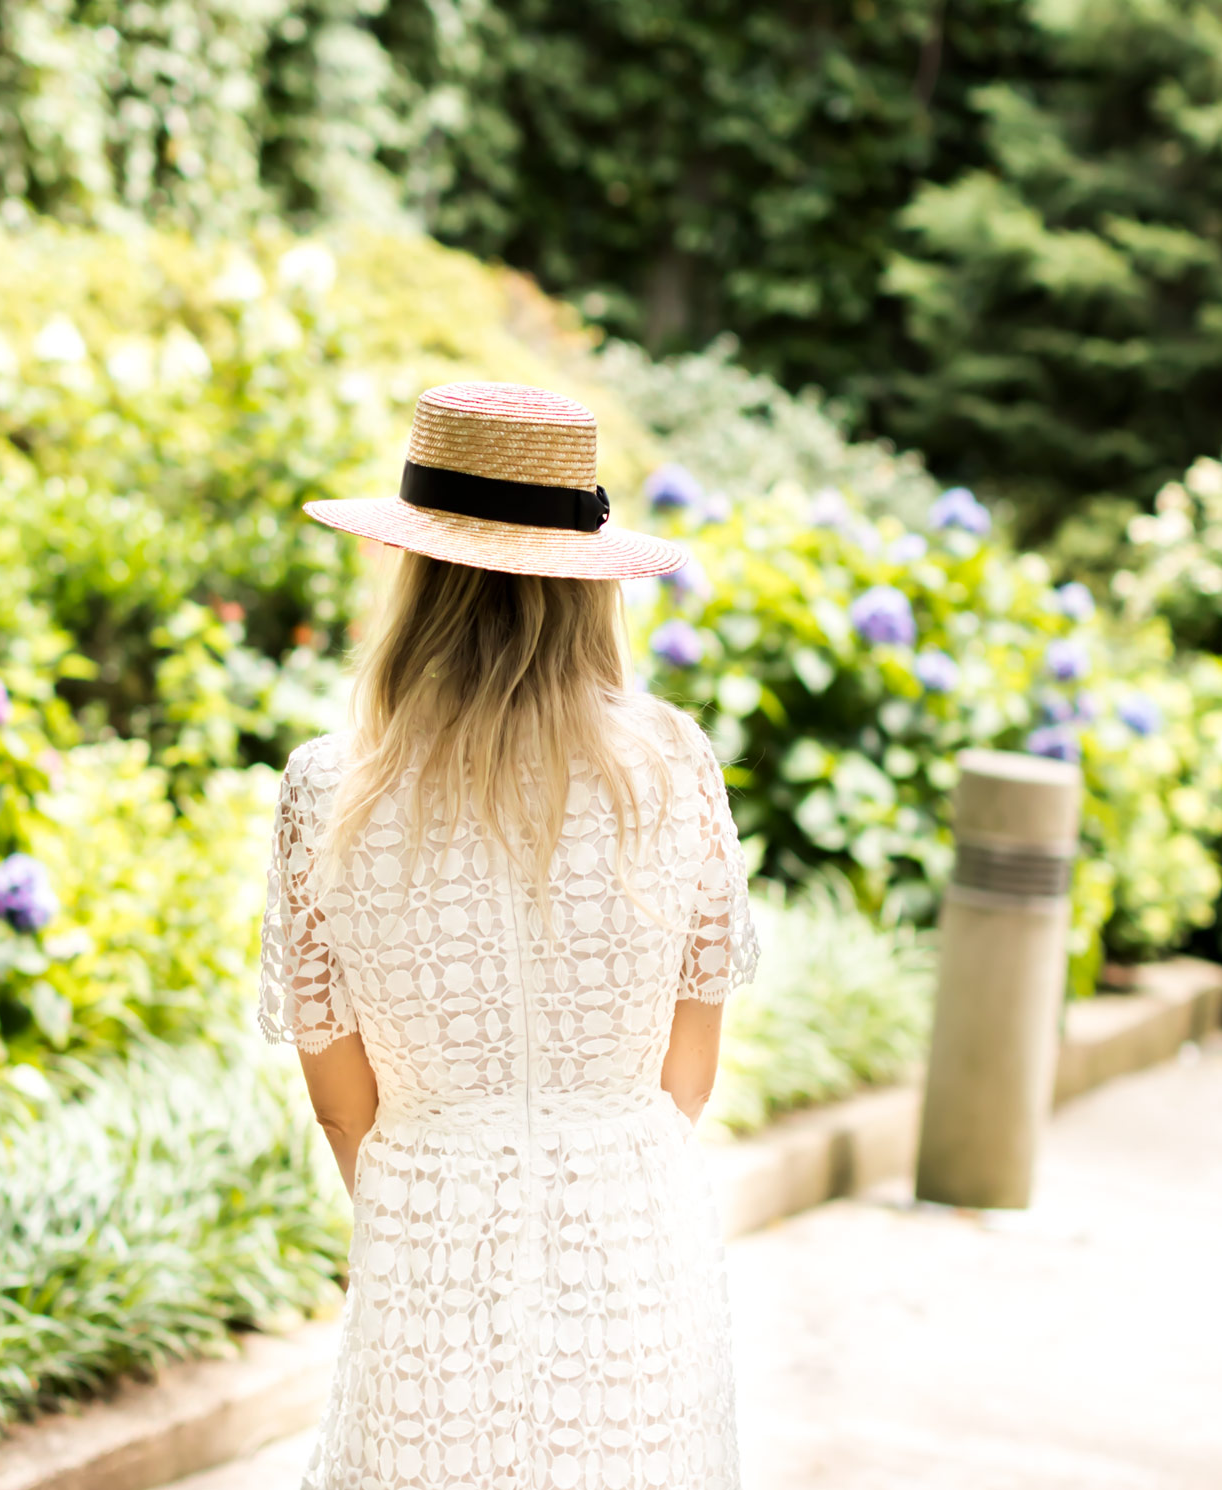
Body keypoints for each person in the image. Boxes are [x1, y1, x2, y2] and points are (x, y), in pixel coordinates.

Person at [259, 381, 760, 1489]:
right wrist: (585, 1176)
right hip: (634, 1241)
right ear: (589, 590)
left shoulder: (327, 790)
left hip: (428, 1238)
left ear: (417, 575)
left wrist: (442, 1198)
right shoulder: (671, 765)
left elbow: (341, 1099)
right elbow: (688, 1068)